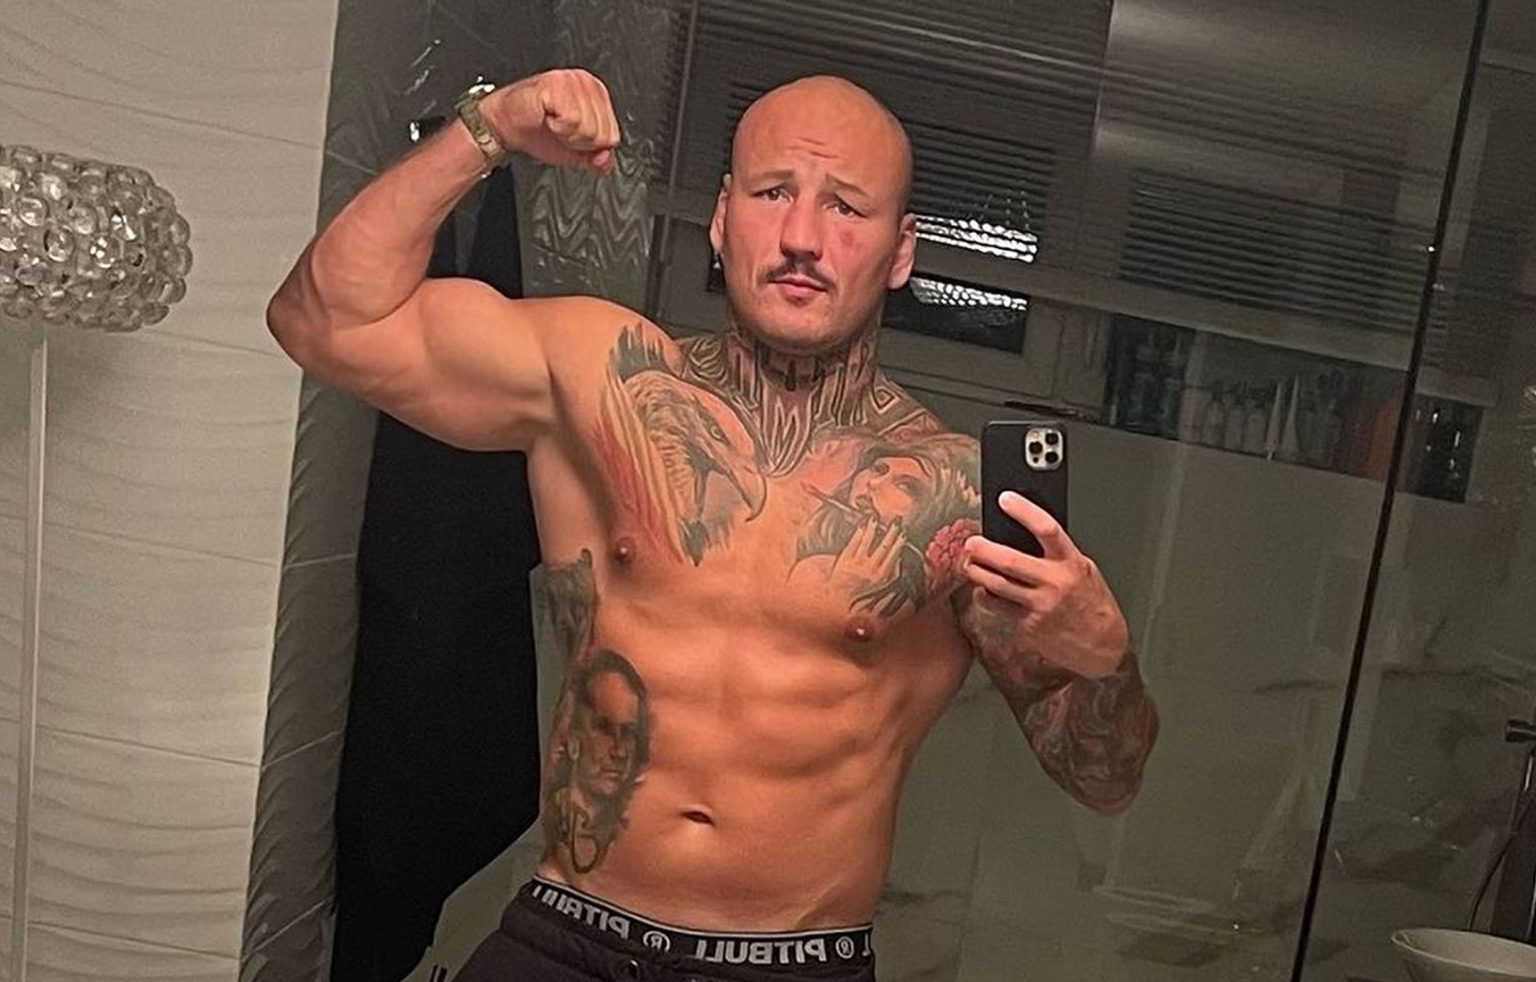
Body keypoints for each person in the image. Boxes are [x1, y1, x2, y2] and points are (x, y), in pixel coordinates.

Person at [268, 67, 1159, 982]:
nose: (803, 237)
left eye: (846, 207)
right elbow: (322, 321)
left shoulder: (956, 497)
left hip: (792, 962)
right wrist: (488, 126)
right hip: (564, 937)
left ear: (901, 252)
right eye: (774, 194)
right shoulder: (602, 381)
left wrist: (1104, 659)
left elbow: (1105, 780)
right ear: (723, 218)